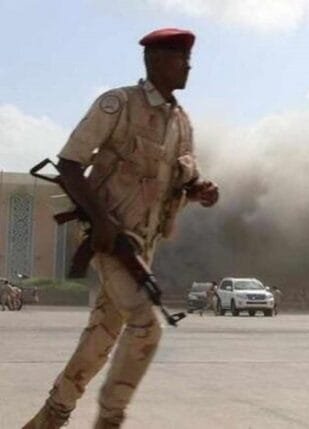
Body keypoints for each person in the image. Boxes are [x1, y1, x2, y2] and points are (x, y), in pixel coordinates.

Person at [24, 28, 219, 429]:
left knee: (101, 338)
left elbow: (183, 178)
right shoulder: (119, 104)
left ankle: (50, 417)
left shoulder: (181, 121)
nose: (189, 66)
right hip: (111, 240)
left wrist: (200, 189)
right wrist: (101, 223)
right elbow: (70, 164)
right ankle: (110, 420)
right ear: (156, 61)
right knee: (147, 328)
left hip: (144, 246)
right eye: (181, 58)